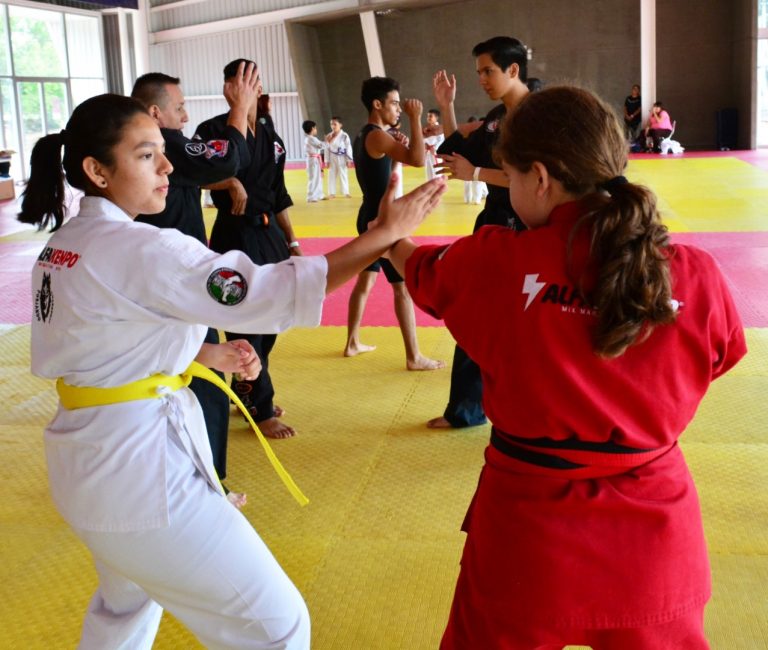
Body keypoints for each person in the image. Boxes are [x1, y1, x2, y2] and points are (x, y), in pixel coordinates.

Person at [18, 92, 446, 650]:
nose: (170, 165)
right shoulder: (142, 248)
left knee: (123, 610)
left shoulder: (64, 247)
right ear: (98, 171)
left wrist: (200, 356)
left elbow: (97, 345)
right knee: (277, 627)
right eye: (147, 155)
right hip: (141, 474)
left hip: (86, 467)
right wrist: (381, 238)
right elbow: (261, 292)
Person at [387, 85, 746, 649]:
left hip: (527, 541)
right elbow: (720, 356)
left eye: (508, 173)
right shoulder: (695, 274)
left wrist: (390, 231)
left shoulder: (497, 263)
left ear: (540, 177)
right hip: (653, 539)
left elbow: (418, 266)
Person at [131, 66, 256, 507]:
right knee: (205, 382)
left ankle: (191, 477)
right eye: (179, 108)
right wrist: (238, 108)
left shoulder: (149, 152)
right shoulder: (162, 145)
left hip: (161, 280)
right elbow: (221, 159)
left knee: (183, 380)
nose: (185, 116)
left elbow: (207, 170)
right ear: (153, 111)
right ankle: (209, 484)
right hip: (177, 283)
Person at [195, 59, 303, 439]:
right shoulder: (212, 130)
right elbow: (197, 173)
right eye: (231, 83)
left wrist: (292, 241)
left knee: (271, 320)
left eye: (246, 82)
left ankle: (249, 388)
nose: (237, 89)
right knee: (246, 322)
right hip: (234, 234)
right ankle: (260, 408)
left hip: (269, 233)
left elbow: (279, 194)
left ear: (258, 87)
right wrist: (228, 182)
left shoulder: (271, 135)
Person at [429, 36, 530, 429]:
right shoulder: (497, 116)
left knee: (533, 323)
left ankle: (529, 407)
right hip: (494, 228)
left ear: (513, 70)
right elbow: (460, 156)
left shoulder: (540, 114)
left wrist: (476, 174)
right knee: (474, 314)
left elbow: (537, 177)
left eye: (488, 71)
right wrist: (447, 108)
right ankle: (467, 409)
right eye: (479, 73)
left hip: (529, 231)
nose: (482, 79)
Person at [344, 76, 444, 371]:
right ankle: (414, 357)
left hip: (368, 215)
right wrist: (415, 119)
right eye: (395, 103)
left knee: (365, 282)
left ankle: (352, 342)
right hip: (383, 221)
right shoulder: (377, 136)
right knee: (401, 288)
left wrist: (401, 143)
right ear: (378, 104)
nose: (400, 109)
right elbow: (416, 159)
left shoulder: (366, 134)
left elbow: (391, 171)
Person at [461, 116, 488, 205]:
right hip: (468, 160)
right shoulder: (465, 134)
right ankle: (468, 198)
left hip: (480, 160)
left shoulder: (484, 136)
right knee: (467, 181)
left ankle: (477, 199)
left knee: (478, 180)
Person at [324, 116, 353, 198]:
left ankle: (346, 192)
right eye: (331, 124)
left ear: (340, 125)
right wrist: (326, 161)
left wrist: (349, 159)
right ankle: (331, 193)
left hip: (342, 157)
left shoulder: (344, 135)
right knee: (331, 174)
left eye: (335, 124)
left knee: (343, 174)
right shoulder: (329, 136)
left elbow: (348, 147)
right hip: (332, 157)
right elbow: (326, 148)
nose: (333, 126)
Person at [302, 119, 325, 202]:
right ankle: (311, 197)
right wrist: (328, 140)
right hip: (312, 160)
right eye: (315, 128)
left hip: (314, 159)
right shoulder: (311, 138)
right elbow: (321, 146)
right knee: (313, 178)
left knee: (318, 177)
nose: (316, 129)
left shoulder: (311, 138)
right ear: (312, 128)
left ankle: (319, 194)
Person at [423, 108, 445, 181]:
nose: (428, 118)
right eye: (428, 116)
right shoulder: (426, 128)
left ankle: (438, 189)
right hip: (428, 153)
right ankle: (430, 190)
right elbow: (423, 139)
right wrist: (425, 145)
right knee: (428, 172)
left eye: (430, 116)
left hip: (435, 153)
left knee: (436, 173)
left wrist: (435, 147)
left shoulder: (439, 128)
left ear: (436, 118)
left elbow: (441, 140)